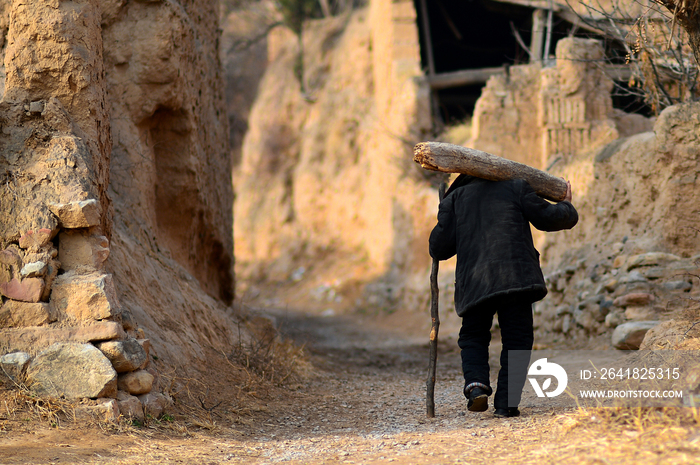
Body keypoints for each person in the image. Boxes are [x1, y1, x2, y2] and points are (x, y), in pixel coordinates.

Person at [429, 174, 578, 418]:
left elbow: (438, 248)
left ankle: (476, 385)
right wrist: (567, 206)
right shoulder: (517, 186)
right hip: (516, 276)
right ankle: (506, 404)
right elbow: (548, 219)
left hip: (476, 283)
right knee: (517, 339)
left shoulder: (455, 198)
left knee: (473, 336)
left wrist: (444, 212)